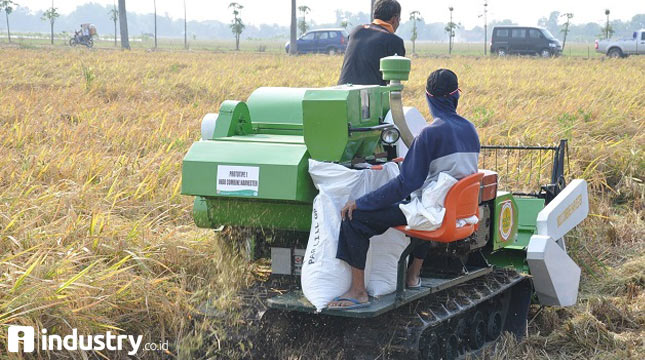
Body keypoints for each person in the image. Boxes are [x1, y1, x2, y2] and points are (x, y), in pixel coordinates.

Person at [328, 69, 480, 309]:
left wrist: (361, 202)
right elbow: (446, 172)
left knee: (354, 220)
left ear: (429, 98)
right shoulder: (470, 129)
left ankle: (358, 291)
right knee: (419, 203)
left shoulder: (430, 133)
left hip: (434, 212)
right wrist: (410, 163)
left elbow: (405, 185)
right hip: (455, 212)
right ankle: (413, 276)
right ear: (456, 96)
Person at [337, 0, 405, 86]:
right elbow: (394, 81)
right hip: (370, 95)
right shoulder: (394, 41)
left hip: (343, 91)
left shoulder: (357, 31)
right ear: (395, 19)